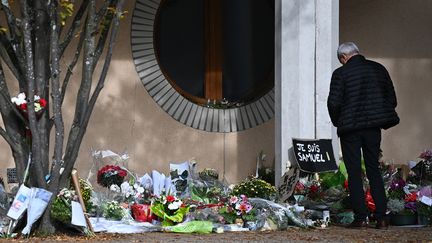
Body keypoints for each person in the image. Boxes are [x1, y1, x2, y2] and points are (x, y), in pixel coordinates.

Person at [327, 42, 399, 229]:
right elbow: (391, 98)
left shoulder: (340, 74)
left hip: (350, 129)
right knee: (373, 169)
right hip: (373, 128)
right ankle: (381, 217)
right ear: (357, 52)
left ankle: (360, 217)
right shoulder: (378, 69)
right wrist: (380, 115)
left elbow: (333, 103)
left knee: (354, 172)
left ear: (343, 58)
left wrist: (339, 121)